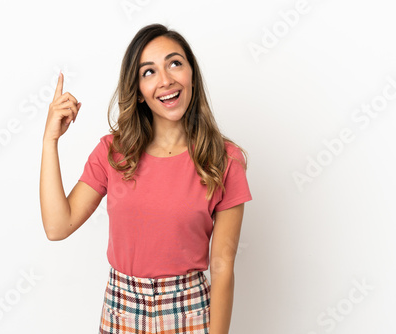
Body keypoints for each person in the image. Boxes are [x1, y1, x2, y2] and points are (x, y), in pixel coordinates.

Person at [40, 23, 253, 334]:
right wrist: (50, 141)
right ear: (138, 92)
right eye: (149, 72)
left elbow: (222, 267)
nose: (165, 80)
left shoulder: (225, 158)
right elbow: (58, 226)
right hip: (121, 310)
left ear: (191, 74)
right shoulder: (112, 152)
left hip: (191, 312)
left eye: (175, 63)